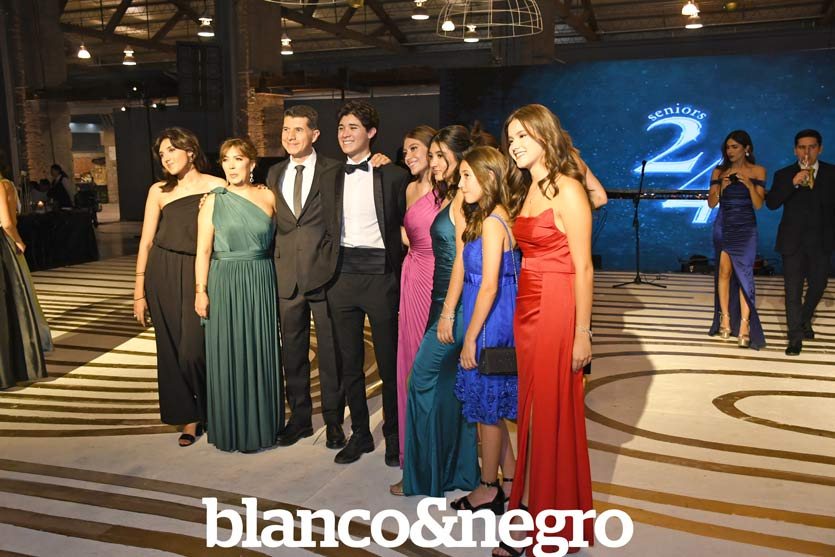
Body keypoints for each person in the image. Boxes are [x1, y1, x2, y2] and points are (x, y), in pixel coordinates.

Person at [501, 104, 594, 556]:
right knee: (532, 413)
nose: (515, 145)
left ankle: (547, 526)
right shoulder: (528, 188)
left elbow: (584, 266)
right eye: (511, 138)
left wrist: (583, 332)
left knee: (549, 413)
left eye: (523, 136)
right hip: (528, 303)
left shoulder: (568, 189)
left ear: (544, 136)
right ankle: (536, 513)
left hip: (558, 304)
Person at [396, 125, 482, 497]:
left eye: (440, 156)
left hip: (454, 304)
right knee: (449, 388)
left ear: (461, 157)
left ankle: (422, 476)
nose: (433, 163)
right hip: (440, 299)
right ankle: (456, 473)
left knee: (420, 381)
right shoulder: (451, 194)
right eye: (431, 156)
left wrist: (448, 313)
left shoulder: (464, 198)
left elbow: (463, 258)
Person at [327, 100, 410, 466]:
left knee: (389, 364)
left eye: (353, 127)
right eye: (341, 128)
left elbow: (409, 226)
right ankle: (361, 434)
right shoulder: (330, 176)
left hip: (381, 278)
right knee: (350, 364)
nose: (345, 134)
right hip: (341, 278)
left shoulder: (393, 176)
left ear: (371, 133)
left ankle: (393, 434)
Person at [133, 127, 226, 446]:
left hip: (198, 271)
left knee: (193, 351)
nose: (166, 158)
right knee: (171, 351)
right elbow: (146, 242)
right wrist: (139, 292)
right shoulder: (158, 190)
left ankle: (213, 408)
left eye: (172, 150)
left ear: (191, 151)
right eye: (162, 154)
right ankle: (190, 417)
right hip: (161, 272)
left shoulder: (217, 186)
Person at [266, 105, 346, 450]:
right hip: (286, 276)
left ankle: (333, 422)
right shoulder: (273, 173)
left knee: (330, 353)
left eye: (298, 130)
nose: (290, 136)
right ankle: (299, 419)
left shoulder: (335, 170)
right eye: (286, 129)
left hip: (324, 274)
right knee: (293, 353)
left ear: (314, 134)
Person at [195, 137, 283, 453]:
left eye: (238, 159)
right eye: (226, 159)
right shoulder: (213, 201)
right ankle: (231, 428)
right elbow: (203, 250)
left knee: (259, 350)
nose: (231, 166)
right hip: (224, 281)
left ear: (252, 163)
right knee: (227, 352)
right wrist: (201, 291)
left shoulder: (269, 196)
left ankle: (263, 426)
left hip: (260, 279)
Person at [450, 146, 521, 515]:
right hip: (489, 312)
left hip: (491, 319)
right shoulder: (489, 216)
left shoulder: (493, 221)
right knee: (489, 404)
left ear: (489, 177)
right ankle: (511, 481)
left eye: (467, 176)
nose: (460, 184)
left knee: (488, 408)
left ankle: (488, 487)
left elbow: (490, 285)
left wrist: (471, 337)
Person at [766, 129, 835, 356]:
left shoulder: (832, 173)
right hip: (792, 241)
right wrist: (793, 183)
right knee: (792, 291)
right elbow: (772, 203)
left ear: (820, 149)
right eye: (802, 147)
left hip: (822, 242)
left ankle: (804, 318)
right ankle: (795, 338)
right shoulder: (784, 174)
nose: (807, 152)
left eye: (812, 147)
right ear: (795, 150)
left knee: (818, 286)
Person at [395, 125, 439, 467]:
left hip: (438, 278)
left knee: (433, 364)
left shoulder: (449, 191)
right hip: (411, 276)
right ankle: (414, 450)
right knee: (409, 359)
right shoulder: (409, 188)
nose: (408, 156)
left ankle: (438, 449)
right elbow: (406, 233)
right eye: (405, 150)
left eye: (414, 149)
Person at [707, 130, 767, 350]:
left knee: (745, 275)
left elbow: (758, 205)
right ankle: (725, 319)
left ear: (746, 148)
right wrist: (721, 188)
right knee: (724, 272)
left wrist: (749, 185)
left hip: (746, 229)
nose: (730, 151)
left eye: (735, 147)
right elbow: (711, 203)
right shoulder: (719, 171)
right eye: (727, 147)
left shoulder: (758, 171)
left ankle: (744, 324)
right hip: (724, 226)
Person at [0, 173, 47, 389]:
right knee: (11, 305)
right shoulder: (3, 185)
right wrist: (19, 241)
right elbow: (7, 222)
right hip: (3, 247)